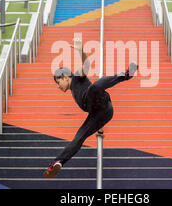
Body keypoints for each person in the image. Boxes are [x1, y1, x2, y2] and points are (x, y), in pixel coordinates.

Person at [43, 38, 138, 178]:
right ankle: (58, 162)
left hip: (100, 100)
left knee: (94, 87)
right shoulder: (74, 92)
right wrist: (99, 127)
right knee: (79, 137)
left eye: (58, 82)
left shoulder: (76, 77)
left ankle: (126, 75)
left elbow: (86, 65)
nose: (58, 86)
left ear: (65, 77)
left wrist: (80, 51)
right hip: (102, 113)